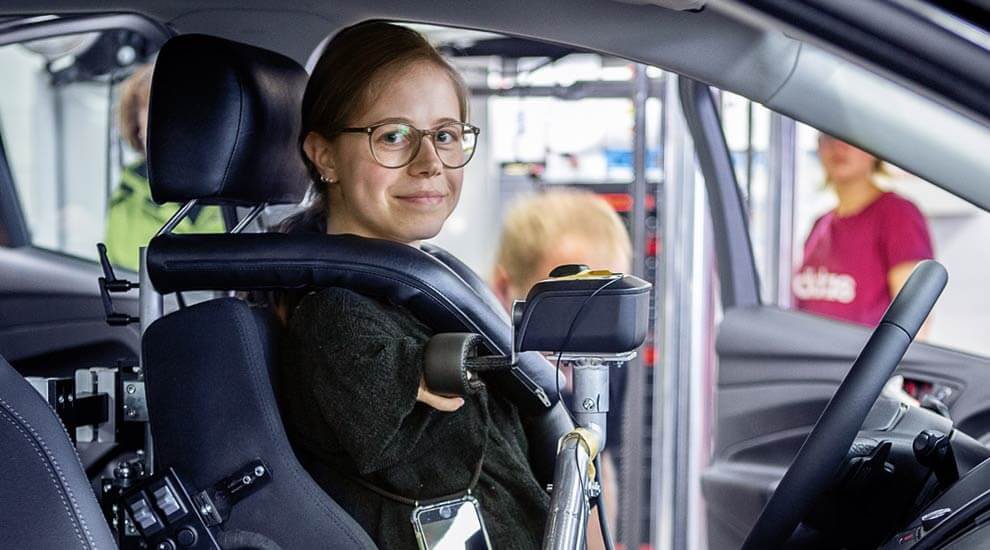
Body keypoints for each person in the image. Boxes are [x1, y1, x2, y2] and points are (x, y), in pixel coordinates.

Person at [276, 22, 548, 549]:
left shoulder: (422, 288)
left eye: (445, 135)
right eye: (394, 136)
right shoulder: (336, 320)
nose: (430, 165)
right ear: (324, 154)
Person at [491, 189, 632, 549]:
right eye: (563, 308)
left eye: (602, 307)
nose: (581, 334)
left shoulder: (601, 358)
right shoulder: (487, 369)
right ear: (504, 289)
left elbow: (600, 468)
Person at [793, 133, 934, 327]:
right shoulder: (819, 224)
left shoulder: (898, 215)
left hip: (859, 356)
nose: (839, 146)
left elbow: (915, 323)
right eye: (828, 136)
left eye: (851, 137)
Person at [104, 63, 224, 271]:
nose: (168, 127)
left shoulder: (227, 198)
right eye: (155, 114)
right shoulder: (127, 190)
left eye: (178, 113)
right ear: (138, 128)